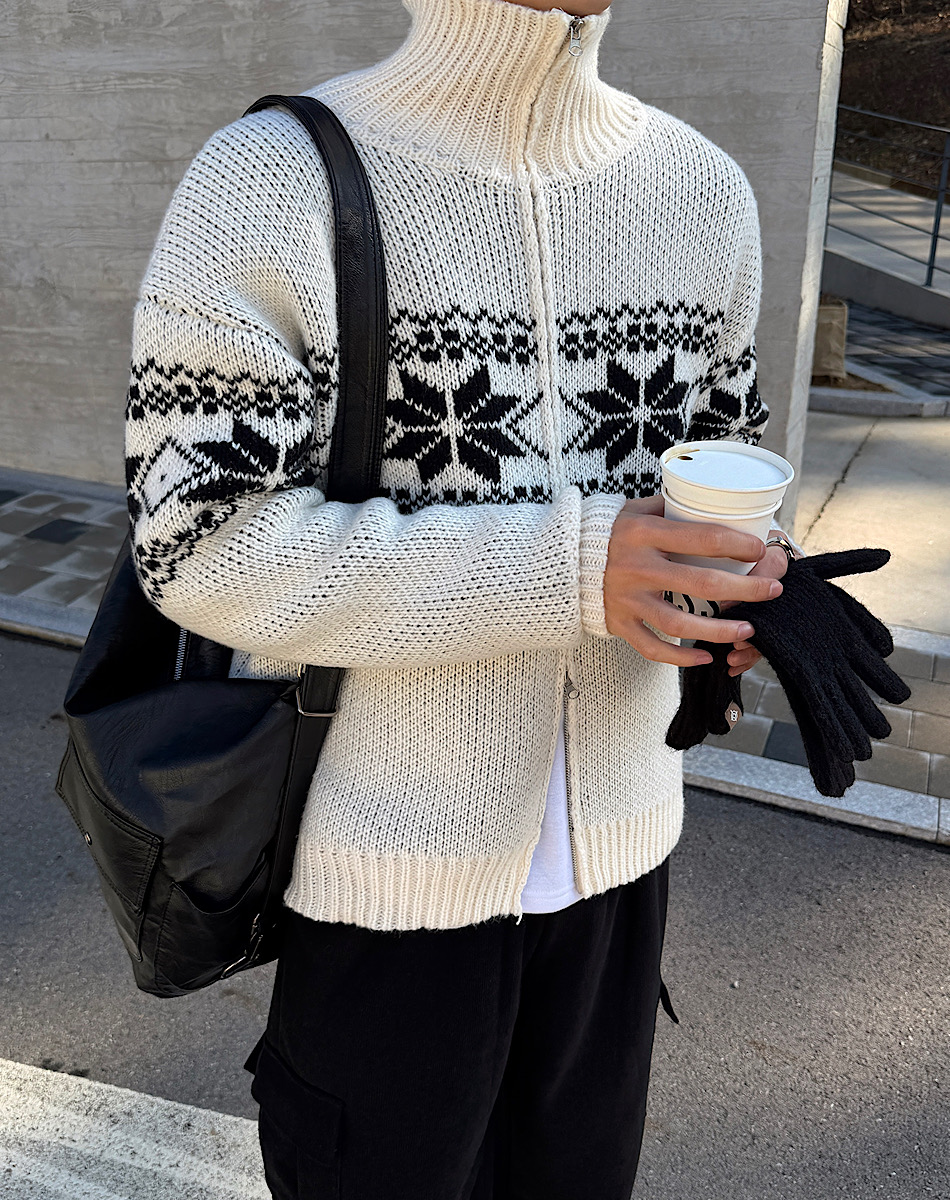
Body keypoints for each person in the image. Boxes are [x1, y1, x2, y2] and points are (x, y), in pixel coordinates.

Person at [124, 0, 800, 1194]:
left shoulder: (702, 190)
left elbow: (718, 468)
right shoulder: (271, 179)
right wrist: (573, 568)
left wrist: (743, 598)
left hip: (621, 870)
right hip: (380, 883)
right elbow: (201, 544)